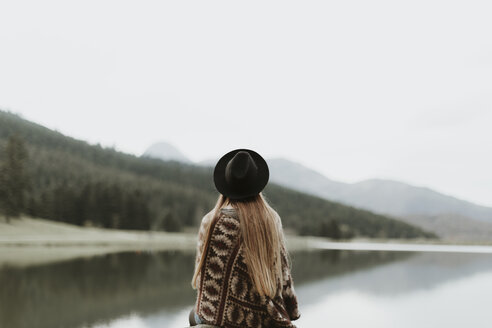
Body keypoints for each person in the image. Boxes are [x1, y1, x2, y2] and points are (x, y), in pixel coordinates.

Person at [189, 149, 300, 328]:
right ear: (257, 186)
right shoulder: (271, 220)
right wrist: (291, 311)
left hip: (216, 319)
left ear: (226, 184)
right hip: (262, 319)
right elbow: (283, 276)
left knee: (192, 316)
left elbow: (203, 280)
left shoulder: (210, 221)